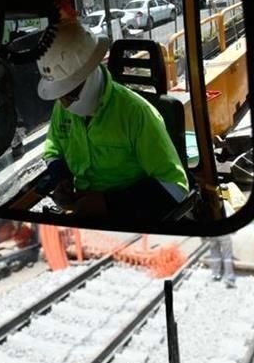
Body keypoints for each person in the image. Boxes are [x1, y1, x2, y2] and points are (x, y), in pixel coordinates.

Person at [38, 18, 188, 220]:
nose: (65, 104)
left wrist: (110, 204)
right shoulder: (63, 108)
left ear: (90, 75)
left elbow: (176, 189)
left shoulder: (137, 114)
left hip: (131, 221)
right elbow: (53, 147)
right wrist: (60, 178)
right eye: (60, 95)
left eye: (70, 93)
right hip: (85, 214)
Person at [208, 199, 236, 288]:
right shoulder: (225, 203)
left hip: (212, 232)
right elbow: (232, 215)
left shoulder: (208, 203)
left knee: (214, 254)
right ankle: (229, 278)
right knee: (227, 256)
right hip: (224, 232)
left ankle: (215, 274)